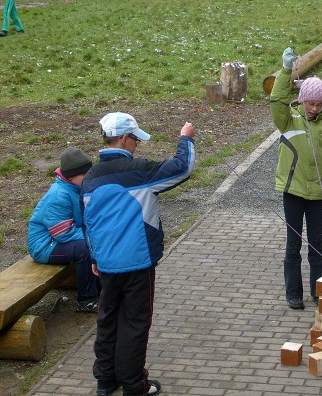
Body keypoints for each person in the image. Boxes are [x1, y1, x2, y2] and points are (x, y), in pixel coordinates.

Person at [82, 112, 196, 396]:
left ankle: (105, 380)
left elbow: (89, 224)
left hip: (106, 264)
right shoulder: (141, 171)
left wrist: (95, 258)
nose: (137, 145)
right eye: (135, 139)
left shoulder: (90, 178)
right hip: (137, 263)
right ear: (124, 138)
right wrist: (186, 138)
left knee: (108, 320)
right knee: (134, 323)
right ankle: (135, 384)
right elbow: (182, 168)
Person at [270, 47, 322, 310]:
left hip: (317, 195)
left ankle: (317, 290)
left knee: (316, 244)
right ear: (301, 101)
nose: (314, 108)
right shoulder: (288, 121)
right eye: (310, 103)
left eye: (319, 104)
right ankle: (294, 293)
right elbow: (277, 99)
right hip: (293, 192)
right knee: (293, 245)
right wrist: (285, 71)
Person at [27, 147, 99, 313]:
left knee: (96, 243)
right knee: (86, 250)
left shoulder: (76, 188)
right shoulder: (58, 196)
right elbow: (64, 234)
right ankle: (86, 300)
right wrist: (92, 238)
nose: (89, 177)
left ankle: (100, 290)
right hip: (45, 245)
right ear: (71, 176)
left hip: (59, 239)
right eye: (85, 174)